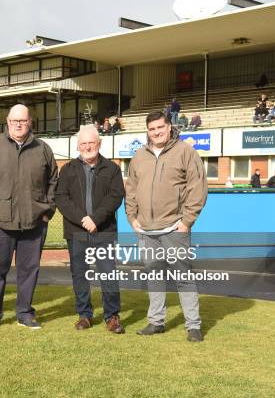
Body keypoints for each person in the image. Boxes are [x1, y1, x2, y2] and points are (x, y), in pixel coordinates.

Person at [0, 104, 58, 330]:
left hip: (34, 221)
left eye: (23, 120)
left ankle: (25, 313)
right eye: (14, 120)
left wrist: (47, 211)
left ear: (30, 122)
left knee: (29, 270)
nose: (18, 124)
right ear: (7, 122)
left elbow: (53, 182)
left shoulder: (43, 149)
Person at [125, 110, 208, 342]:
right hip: (147, 230)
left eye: (160, 127)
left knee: (183, 276)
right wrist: (132, 218)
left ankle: (193, 326)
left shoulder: (186, 152)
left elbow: (197, 188)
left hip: (175, 228)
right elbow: (130, 189)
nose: (156, 132)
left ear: (169, 127)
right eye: (152, 129)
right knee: (154, 276)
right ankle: (156, 322)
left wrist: (187, 221)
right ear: (147, 131)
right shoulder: (139, 156)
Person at [55, 124, 125, 333]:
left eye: (91, 143)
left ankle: (112, 316)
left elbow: (115, 196)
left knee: (108, 273)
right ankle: (84, 315)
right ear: (78, 145)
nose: (87, 147)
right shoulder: (68, 169)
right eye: (83, 143)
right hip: (76, 231)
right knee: (80, 275)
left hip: (103, 230)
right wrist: (82, 219)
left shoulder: (112, 169)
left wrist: (95, 219)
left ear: (99, 144)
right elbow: (61, 198)